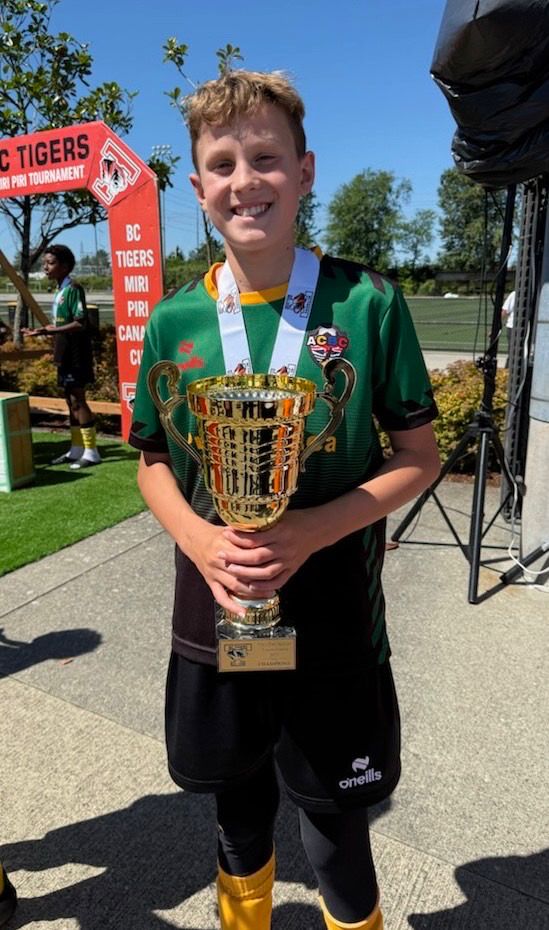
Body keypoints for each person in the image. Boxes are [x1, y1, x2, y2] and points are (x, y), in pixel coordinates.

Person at [129, 70, 440, 930]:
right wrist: (199, 540)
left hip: (335, 619)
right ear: (199, 189)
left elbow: (418, 457)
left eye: (265, 158)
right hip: (220, 605)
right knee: (237, 813)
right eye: (222, 164)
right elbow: (150, 463)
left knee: (336, 827)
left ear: (304, 171)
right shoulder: (174, 321)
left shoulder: (367, 302)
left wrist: (311, 529)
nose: (245, 180)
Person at [23, 244, 101, 469]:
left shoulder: (74, 288)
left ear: (65, 266)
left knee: (78, 399)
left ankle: (91, 452)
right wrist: (42, 331)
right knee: (69, 400)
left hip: (76, 352)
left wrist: (50, 331)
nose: (45, 267)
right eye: (44, 263)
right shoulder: (60, 290)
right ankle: (76, 449)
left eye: (50, 263)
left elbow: (80, 322)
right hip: (64, 351)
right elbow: (60, 324)